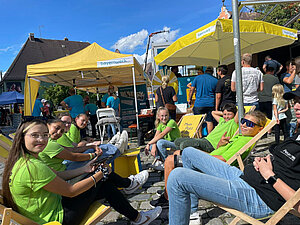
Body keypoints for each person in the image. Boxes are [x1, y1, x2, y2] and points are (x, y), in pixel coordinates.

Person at [167, 87, 300, 225]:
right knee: (188, 152)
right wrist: (264, 161)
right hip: (246, 177)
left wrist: (269, 175)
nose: (296, 106)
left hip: (260, 197)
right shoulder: (296, 136)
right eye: (295, 101)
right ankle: (192, 212)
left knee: (177, 177)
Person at [2, 120, 162, 225]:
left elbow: (56, 176)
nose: (42, 140)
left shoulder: (23, 161)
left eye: (44, 135)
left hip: (46, 212)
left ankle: (137, 216)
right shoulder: (33, 166)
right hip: (56, 219)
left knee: (103, 184)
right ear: (22, 138)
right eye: (34, 135)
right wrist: (99, 175)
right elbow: (70, 192)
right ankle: (137, 214)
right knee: (102, 183)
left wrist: (85, 169)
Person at [151, 111, 266, 210]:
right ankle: (169, 192)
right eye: (243, 121)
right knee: (175, 155)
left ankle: (168, 198)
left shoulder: (244, 141)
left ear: (259, 129)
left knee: (171, 160)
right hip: (211, 160)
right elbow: (219, 152)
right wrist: (221, 144)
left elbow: (223, 159)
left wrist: (199, 157)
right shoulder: (239, 136)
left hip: (216, 166)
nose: (244, 125)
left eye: (250, 124)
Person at [174, 103, 239, 151]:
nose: (226, 116)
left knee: (184, 144)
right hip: (205, 140)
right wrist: (225, 113)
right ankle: (179, 159)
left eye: (229, 114)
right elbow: (213, 112)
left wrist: (230, 112)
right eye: (225, 114)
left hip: (212, 145)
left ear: (234, 114)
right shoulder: (222, 120)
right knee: (177, 141)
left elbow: (239, 112)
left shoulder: (233, 123)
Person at [188, 66, 218, 134]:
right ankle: (209, 137)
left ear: (205, 71)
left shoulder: (197, 78)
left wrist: (190, 99)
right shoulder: (215, 80)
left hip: (199, 104)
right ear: (212, 72)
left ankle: (200, 136)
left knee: (199, 121)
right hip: (210, 103)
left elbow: (192, 89)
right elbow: (217, 94)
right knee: (209, 121)